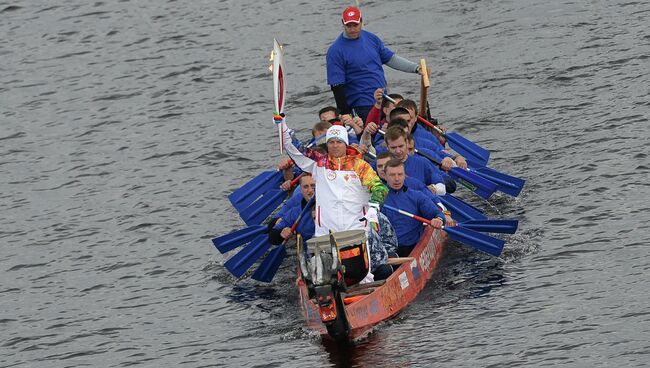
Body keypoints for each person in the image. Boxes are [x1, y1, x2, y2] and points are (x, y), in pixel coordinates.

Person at [280, 119, 388, 237]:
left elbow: (380, 188)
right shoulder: (319, 163)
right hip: (328, 233)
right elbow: (297, 149)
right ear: (327, 144)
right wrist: (283, 127)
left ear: (345, 144)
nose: (335, 145)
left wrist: (373, 207)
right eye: (331, 142)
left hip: (358, 228)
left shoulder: (360, 166)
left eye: (339, 142)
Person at [326, 6, 423, 123]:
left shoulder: (371, 38)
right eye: (348, 26)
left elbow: (391, 59)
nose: (352, 29)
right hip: (361, 105)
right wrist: (344, 112)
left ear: (361, 22)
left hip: (383, 99)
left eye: (355, 25)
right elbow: (336, 86)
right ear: (343, 24)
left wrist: (416, 68)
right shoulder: (335, 51)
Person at [381, 158, 447, 257]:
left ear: (404, 175)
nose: (397, 179)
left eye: (400, 174)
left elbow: (438, 214)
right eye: (392, 175)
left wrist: (438, 219)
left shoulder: (417, 196)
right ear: (385, 176)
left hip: (409, 248)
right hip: (384, 249)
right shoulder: (375, 198)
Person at [383, 126, 447, 195]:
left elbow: (442, 188)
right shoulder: (379, 165)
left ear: (407, 143)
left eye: (401, 146)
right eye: (393, 148)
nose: (398, 151)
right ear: (387, 147)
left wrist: (434, 189)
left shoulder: (422, 163)